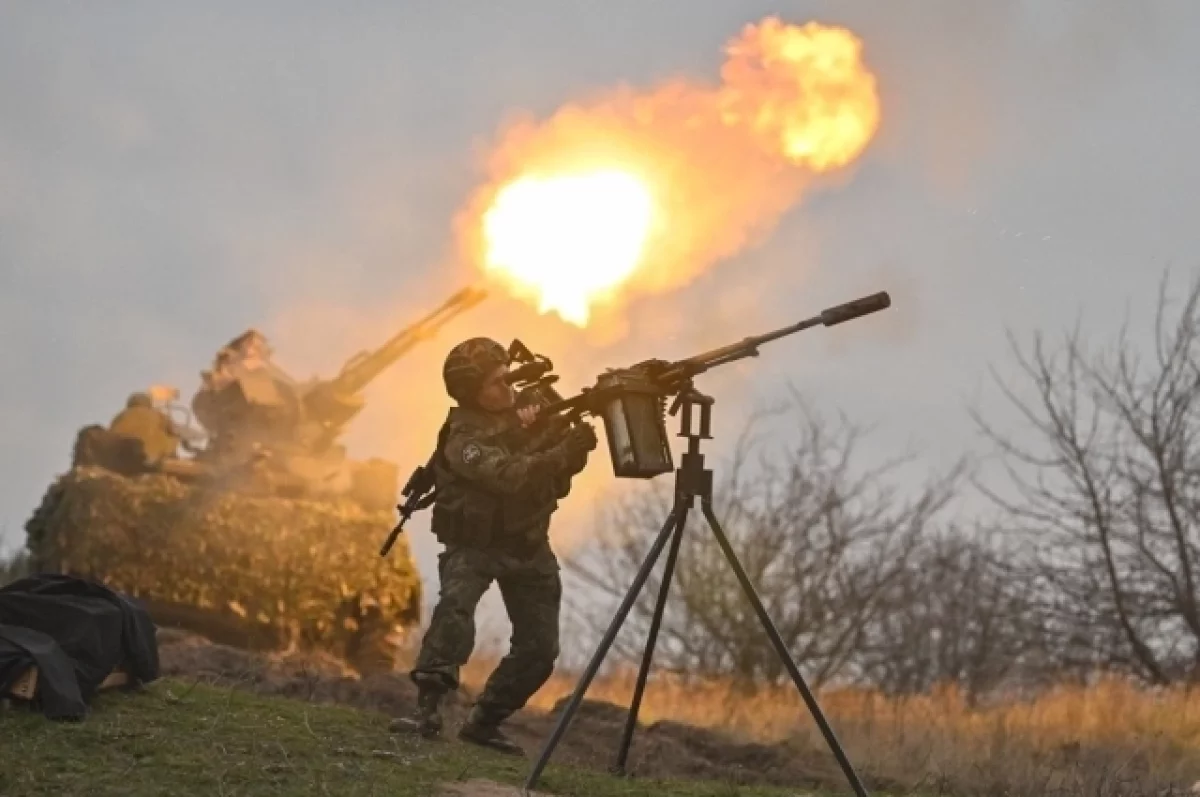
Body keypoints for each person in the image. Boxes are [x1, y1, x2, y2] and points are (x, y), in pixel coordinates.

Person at [390, 337, 597, 756]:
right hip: (475, 546)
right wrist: (562, 452)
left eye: (509, 378)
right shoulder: (463, 437)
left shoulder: (528, 410)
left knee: (540, 649)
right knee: (455, 616)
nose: (508, 389)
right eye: (495, 384)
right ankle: (428, 713)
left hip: (527, 543)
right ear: (472, 394)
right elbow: (510, 474)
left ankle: (483, 723)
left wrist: (571, 445)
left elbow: (558, 467)